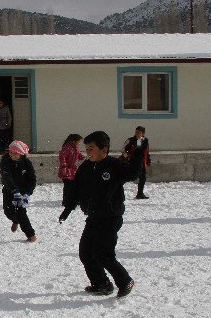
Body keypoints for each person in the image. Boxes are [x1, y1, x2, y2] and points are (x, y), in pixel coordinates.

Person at [58, 130, 141, 298]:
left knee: (103, 254)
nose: (88, 152)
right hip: (94, 218)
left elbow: (132, 173)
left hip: (110, 218)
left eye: (92, 149)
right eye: (86, 149)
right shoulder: (86, 168)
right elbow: (75, 190)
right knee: (86, 253)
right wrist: (67, 209)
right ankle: (101, 283)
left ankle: (125, 281)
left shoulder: (114, 165)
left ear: (104, 150)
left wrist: (135, 156)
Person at [1, 140, 37, 242]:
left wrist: (27, 193)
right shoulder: (5, 160)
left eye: (15, 153)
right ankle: (15, 220)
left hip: (23, 191)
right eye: (10, 152)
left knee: (21, 212)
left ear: (21, 153)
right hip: (9, 190)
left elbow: (32, 179)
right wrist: (14, 191)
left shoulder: (27, 163)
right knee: (8, 212)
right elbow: (6, 177)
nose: (12, 155)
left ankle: (31, 235)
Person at [121, 125, 151, 199]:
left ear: (143, 134)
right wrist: (128, 157)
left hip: (141, 163)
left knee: (143, 177)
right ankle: (116, 189)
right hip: (131, 163)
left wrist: (148, 160)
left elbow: (146, 152)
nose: (137, 134)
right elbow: (123, 150)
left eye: (139, 133)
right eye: (136, 132)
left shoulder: (145, 141)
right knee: (129, 177)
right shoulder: (130, 140)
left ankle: (140, 194)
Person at [58, 134, 85, 207]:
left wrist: (82, 157)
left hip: (73, 171)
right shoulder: (67, 147)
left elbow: (78, 154)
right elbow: (62, 157)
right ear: (73, 141)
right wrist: (64, 166)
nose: (79, 144)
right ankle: (66, 201)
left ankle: (75, 200)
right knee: (68, 187)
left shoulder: (75, 148)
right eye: (78, 142)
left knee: (75, 186)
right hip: (66, 170)